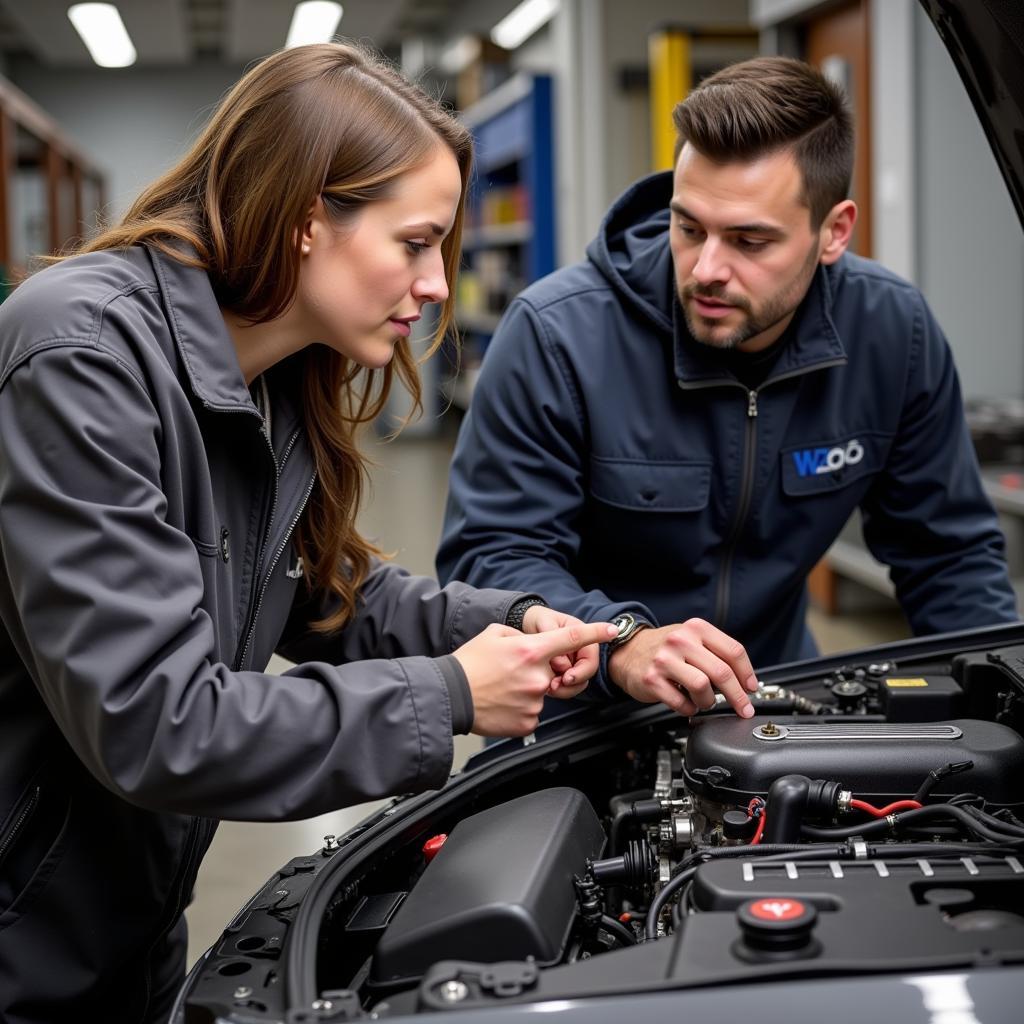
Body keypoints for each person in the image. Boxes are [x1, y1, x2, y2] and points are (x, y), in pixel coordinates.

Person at [0, 43, 620, 1024]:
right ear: (304, 219)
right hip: (23, 948)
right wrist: (454, 693)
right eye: (414, 242)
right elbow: (159, 723)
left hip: (131, 930)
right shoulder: (81, 356)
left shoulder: (274, 371)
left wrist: (538, 625)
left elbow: (329, 594)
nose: (433, 288)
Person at [438, 56, 1017, 721]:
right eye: (689, 228)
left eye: (750, 240)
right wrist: (619, 643)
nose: (708, 269)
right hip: (577, 711)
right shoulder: (557, 336)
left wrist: (999, 706)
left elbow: (949, 557)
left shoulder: (892, 332)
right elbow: (491, 558)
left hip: (768, 698)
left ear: (834, 231)